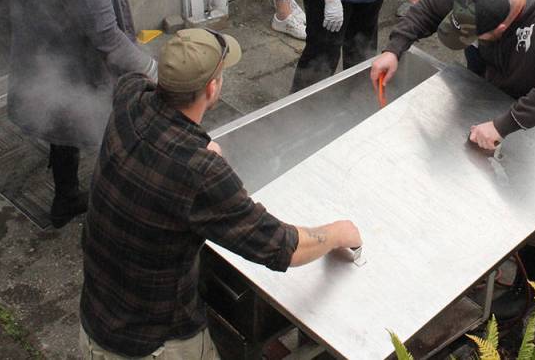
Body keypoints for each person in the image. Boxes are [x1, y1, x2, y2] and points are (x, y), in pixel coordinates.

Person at [80, 29, 362, 359]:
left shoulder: (130, 97)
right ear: (213, 87)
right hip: (155, 345)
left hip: (96, 318)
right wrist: (336, 233)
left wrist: (201, 148)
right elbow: (282, 247)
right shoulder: (200, 174)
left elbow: (158, 143)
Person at [369, 0, 535, 321]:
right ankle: (487, 253)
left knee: (532, 209)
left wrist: (504, 126)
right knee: (486, 188)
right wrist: (394, 48)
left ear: (502, 29)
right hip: (503, 102)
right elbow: (429, 7)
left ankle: (528, 292)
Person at [0, 0, 157, 229]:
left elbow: (10, 1)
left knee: (58, 126)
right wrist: (152, 69)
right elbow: (110, 42)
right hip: (81, 73)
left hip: (40, 63)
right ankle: (119, 210)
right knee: (113, 133)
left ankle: (65, 198)